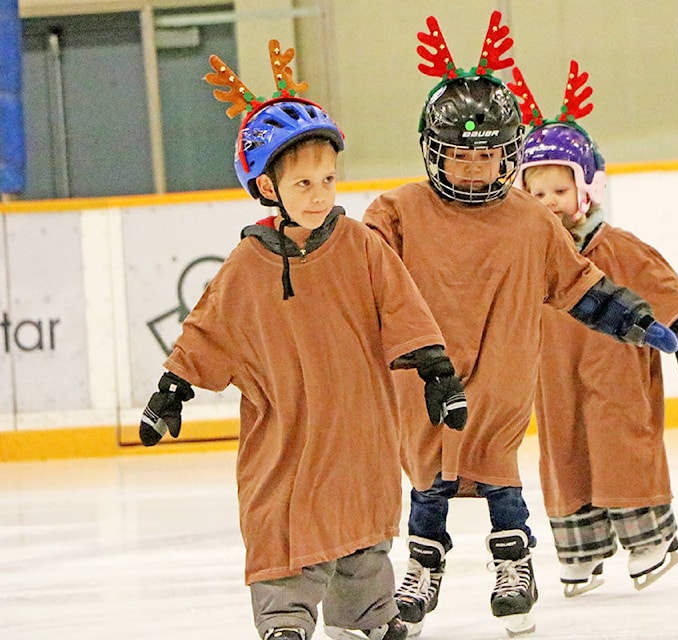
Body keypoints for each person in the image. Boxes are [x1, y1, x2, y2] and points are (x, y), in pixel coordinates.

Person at [138, 40, 468, 640]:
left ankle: (370, 619)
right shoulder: (245, 265)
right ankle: (285, 622)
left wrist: (438, 374)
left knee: (363, 530)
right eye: (304, 183)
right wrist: (171, 392)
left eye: (328, 179)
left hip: (358, 428)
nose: (320, 194)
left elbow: (404, 308)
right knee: (283, 525)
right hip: (286, 433)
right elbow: (206, 331)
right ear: (267, 189)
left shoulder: (362, 247)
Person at [362, 14, 678, 638]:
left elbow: (579, 286)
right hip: (424, 380)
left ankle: (515, 563)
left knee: (497, 469)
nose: (476, 167)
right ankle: (423, 566)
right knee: (429, 480)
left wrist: (638, 320)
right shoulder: (396, 212)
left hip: (501, 380)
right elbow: (359, 277)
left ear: (508, 153)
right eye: (461, 154)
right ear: (435, 151)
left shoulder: (531, 221)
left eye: (487, 154)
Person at [512, 60, 678, 597]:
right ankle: (579, 554)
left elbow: (659, 283)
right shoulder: (526, 258)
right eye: (537, 192)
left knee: (624, 445)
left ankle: (647, 544)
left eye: (559, 190)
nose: (549, 203)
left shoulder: (614, 246)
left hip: (617, 370)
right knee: (565, 454)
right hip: (553, 378)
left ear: (584, 191)